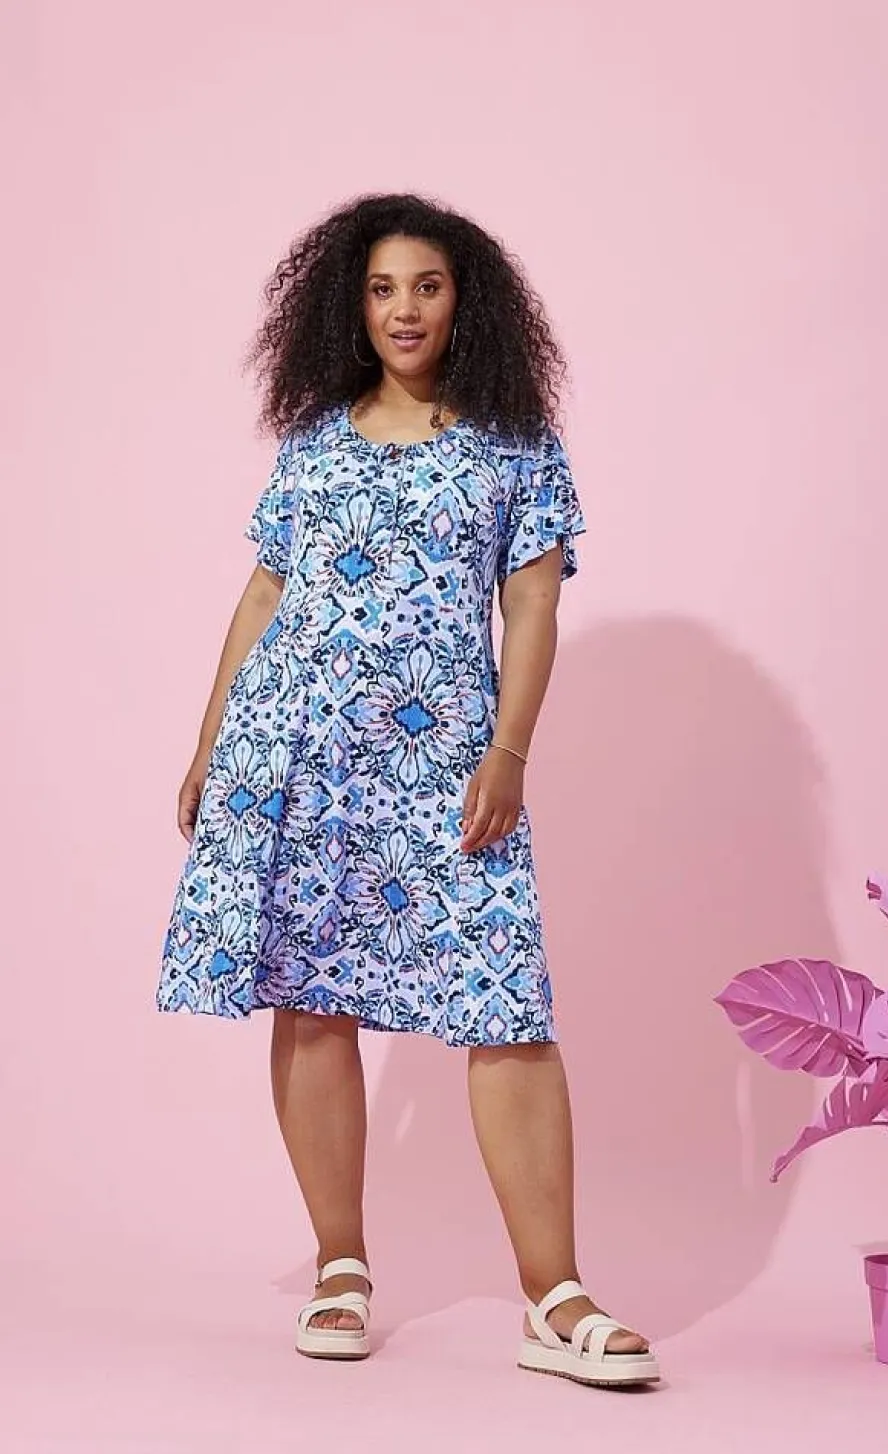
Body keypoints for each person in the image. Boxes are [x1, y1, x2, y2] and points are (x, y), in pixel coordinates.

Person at [157, 193, 659, 1389]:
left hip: (441, 765)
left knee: (505, 1005)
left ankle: (555, 1294)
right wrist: (210, 741)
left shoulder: (514, 440)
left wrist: (508, 751)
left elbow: (530, 602)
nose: (403, 309)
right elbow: (266, 592)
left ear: (463, 299)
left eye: (426, 285)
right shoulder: (314, 438)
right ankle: (340, 1264)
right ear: (352, 303)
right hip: (293, 755)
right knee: (309, 995)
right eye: (382, 288)